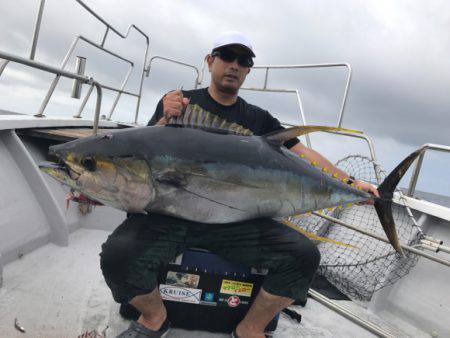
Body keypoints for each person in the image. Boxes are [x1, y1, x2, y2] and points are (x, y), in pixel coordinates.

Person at [100, 31, 379, 338]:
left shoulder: (259, 119)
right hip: (171, 216)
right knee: (117, 254)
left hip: (236, 223)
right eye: (226, 57)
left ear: (248, 70)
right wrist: (164, 118)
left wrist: (352, 183)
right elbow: (144, 150)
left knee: (304, 256)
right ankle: (154, 318)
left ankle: (250, 329)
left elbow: (303, 154)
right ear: (210, 61)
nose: (233, 65)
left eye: (242, 60)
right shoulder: (178, 102)